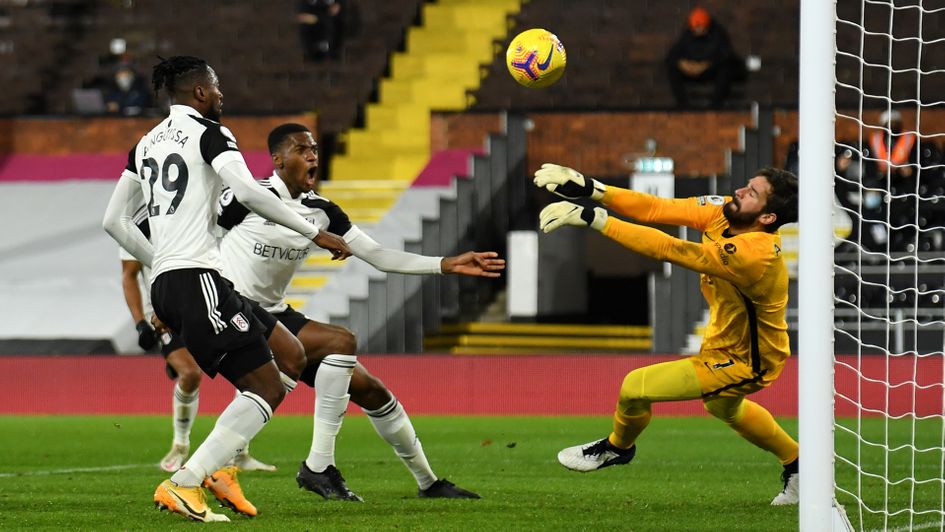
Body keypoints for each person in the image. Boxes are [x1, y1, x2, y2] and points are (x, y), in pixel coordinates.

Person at [102, 55, 352, 522]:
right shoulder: (211, 133)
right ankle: (186, 481)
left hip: (187, 278)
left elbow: (112, 220)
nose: (221, 95)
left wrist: (161, 265)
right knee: (264, 385)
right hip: (197, 278)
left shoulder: (145, 143)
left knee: (291, 355)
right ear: (199, 92)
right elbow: (252, 193)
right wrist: (313, 231)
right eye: (216, 87)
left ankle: (218, 470)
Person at [213, 122, 504, 500]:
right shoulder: (246, 196)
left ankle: (428, 483)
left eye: (315, 148)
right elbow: (201, 236)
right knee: (341, 342)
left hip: (275, 313)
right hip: (234, 307)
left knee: (371, 390)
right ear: (278, 160)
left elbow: (379, 256)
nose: (313, 155)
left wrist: (446, 264)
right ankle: (318, 466)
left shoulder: (321, 211)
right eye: (303, 150)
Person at [533, 163, 800, 505]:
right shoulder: (724, 213)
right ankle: (798, 464)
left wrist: (595, 219)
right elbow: (657, 207)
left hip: (747, 360)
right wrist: (592, 188)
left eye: (752, 193)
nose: (739, 192)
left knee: (634, 387)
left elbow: (671, 250)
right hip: (725, 340)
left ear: (766, 218)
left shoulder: (754, 254)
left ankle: (617, 447)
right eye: (747, 185)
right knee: (725, 409)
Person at [118, 206, 276, 474]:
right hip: (164, 313)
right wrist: (140, 324)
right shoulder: (141, 223)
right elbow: (129, 275)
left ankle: (239, 450)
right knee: (190, 373)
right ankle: (180, 444)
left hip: (203, 303)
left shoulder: (197, 208)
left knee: (246, 366)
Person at [665, 6, 740, 109]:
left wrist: (706, 65)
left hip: (710, 69)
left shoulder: (718, 33)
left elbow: (725, 55)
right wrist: (684, 64)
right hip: (691, 70)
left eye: (701, 27)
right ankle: (683, 105)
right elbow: (672, 55)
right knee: (672, 69)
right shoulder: (687, 35)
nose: (698, 30)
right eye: (696, 28)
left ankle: (715, 105)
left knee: (726, 69)